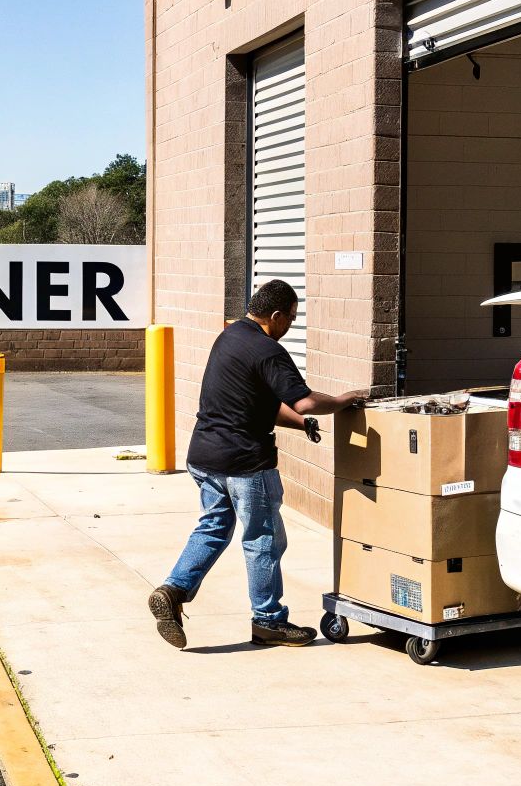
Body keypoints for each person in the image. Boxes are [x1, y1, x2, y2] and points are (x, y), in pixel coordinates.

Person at [147, 278, 367, 649]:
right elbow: (306, 401)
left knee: (214, 527)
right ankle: (269, 621)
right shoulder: (267, 350)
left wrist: (301, 425)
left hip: (205, 456)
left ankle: (173, 591)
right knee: (263, 539)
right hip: (244, 463)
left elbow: (257, 403)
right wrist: (347, 400)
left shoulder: (229, 338)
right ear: (276, 315)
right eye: (292, 319)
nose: (291, 326)